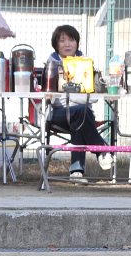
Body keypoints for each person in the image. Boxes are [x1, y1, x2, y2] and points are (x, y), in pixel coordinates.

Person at [46, 24, 114, 183]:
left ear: (77, 43)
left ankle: (76, 173)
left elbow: (94, 96)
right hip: (58, 114)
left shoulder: (86, 64)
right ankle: (102, 150)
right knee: (81, 112)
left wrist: (70, 96)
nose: (67, 44)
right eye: (62, 40)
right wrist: (80, 96)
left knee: (80, 117)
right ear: (56, 44)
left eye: (71, 40)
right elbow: (56, 100)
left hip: (82, 115)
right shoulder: (52, 65)